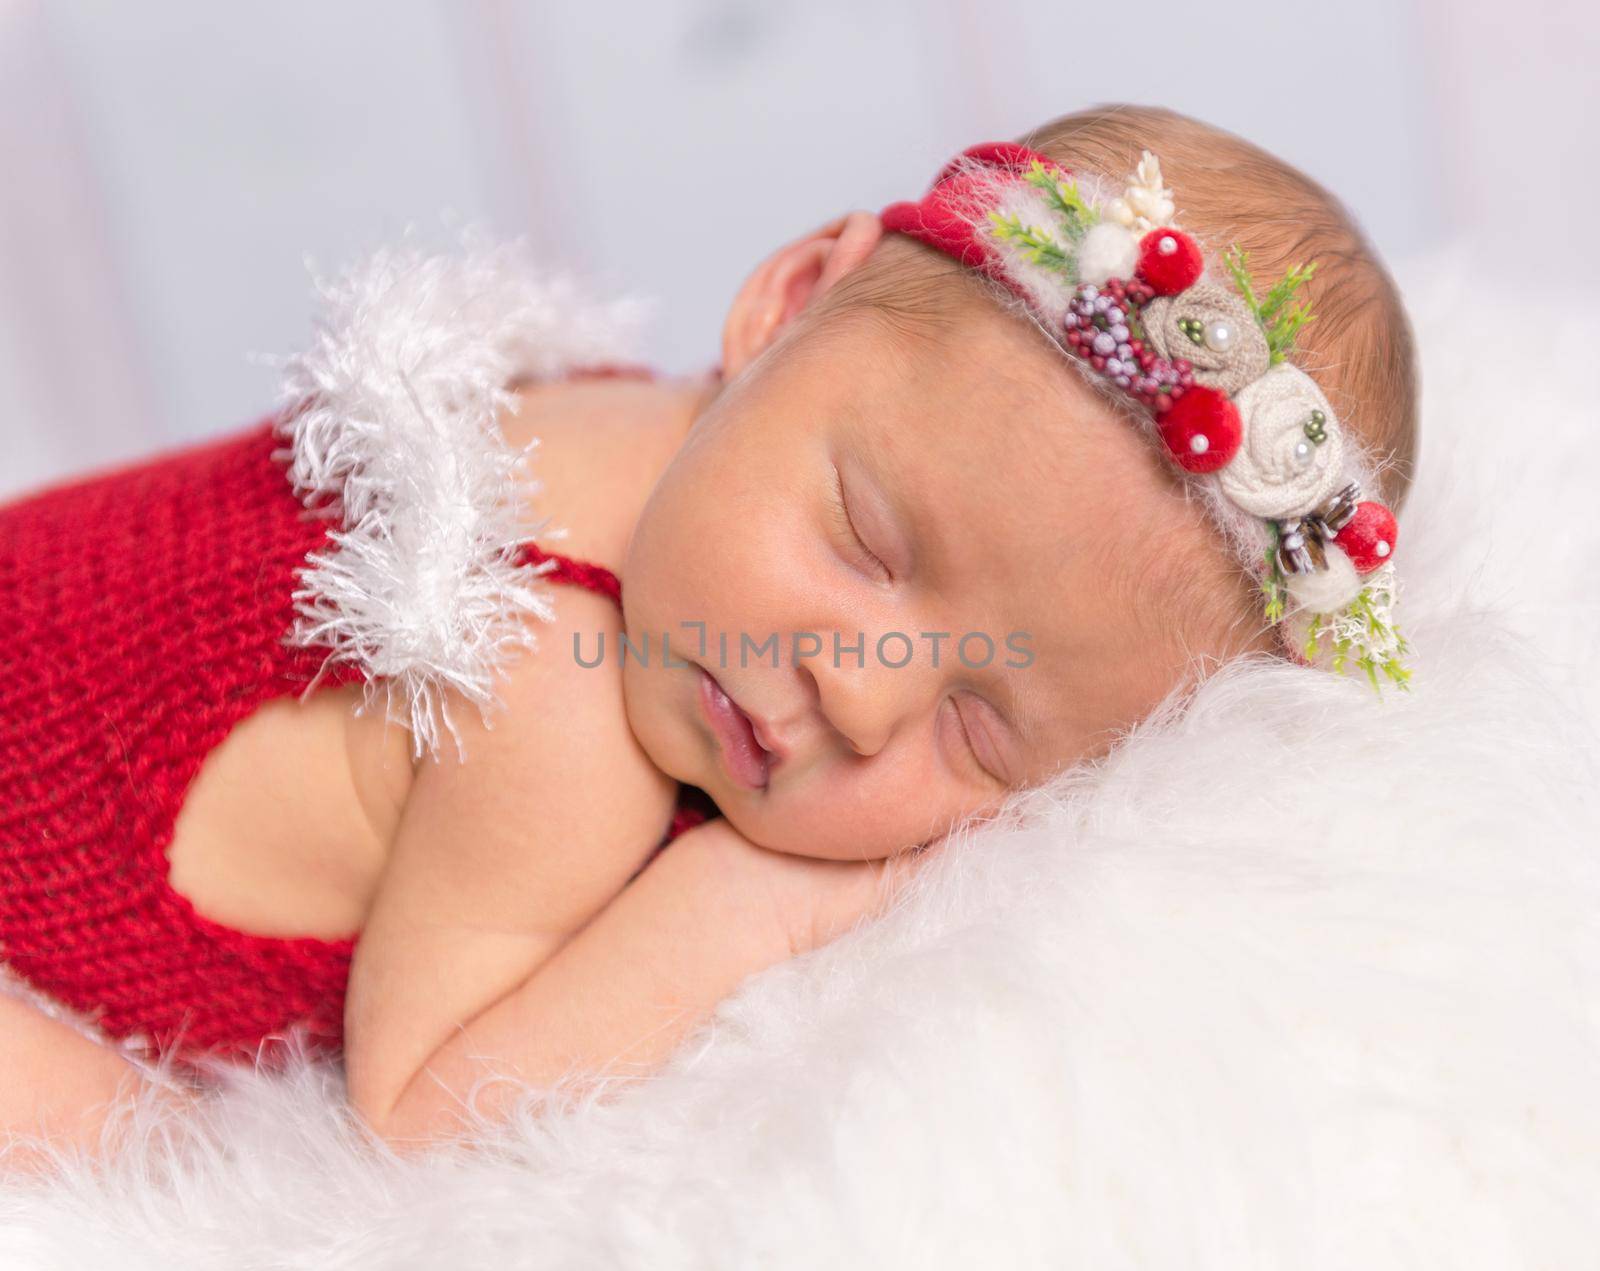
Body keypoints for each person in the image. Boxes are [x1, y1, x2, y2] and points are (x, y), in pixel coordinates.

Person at [0, 103, 1416, 1167]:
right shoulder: (556, 684)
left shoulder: (665, 446)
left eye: (980, 730)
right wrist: (755, 899)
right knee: (139, 1150)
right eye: (868, 542)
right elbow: (417, 1117)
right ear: (788, 302)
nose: (864, 697)